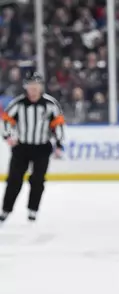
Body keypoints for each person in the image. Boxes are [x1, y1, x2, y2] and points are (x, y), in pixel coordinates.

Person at [0, 71, 65, 223]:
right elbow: (6, 121)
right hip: (21, 147)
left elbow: (58, 125)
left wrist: (59, 143)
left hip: (42, 147)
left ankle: (32, 210)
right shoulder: (18, 104)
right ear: (26, 87)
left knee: (38, 180)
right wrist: (7, 136)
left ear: (41, 87)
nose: (34, 89)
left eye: (36, 86)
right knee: (14, 180)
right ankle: (6, 210)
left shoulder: (50, 104)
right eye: (31, 86)